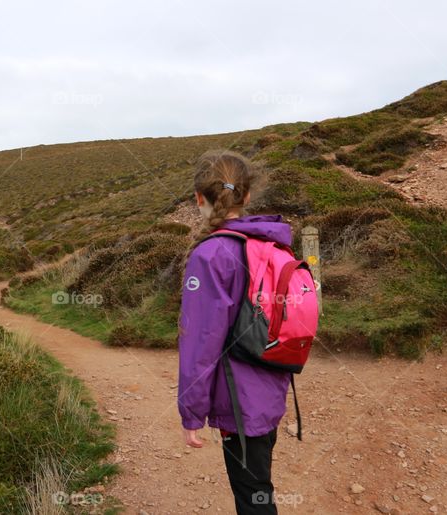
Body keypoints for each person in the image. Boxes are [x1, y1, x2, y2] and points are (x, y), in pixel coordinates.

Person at [177, 150, 292, 514]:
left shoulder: (210, 255)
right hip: (271, 386)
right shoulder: (271, 244)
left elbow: (200, 343)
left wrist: (191, 413)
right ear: (247, 195)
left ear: (199, 198)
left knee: (254, 498)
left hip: (238, 401)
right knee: (258, 486)